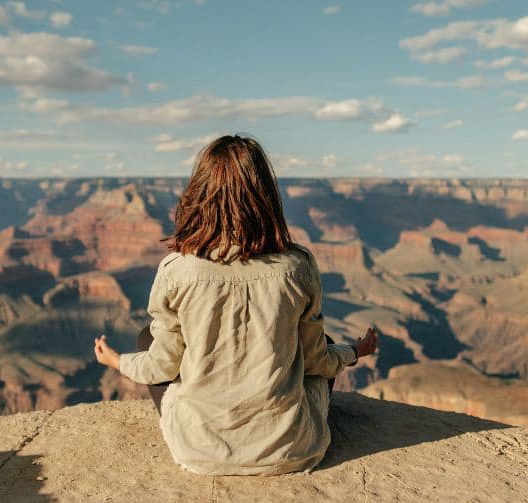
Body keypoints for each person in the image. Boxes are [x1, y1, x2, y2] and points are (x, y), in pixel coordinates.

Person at [94, 134, 378, 476]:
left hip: (199, 452)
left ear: (199, 195)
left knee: (147, 340)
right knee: (326, 344)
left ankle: (205, 431)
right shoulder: (297, 266)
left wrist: (117, 361)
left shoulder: (177, 270)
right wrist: (354, 351)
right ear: (265, 196)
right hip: (291, 450)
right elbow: (317, 361)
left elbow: (163, 367)